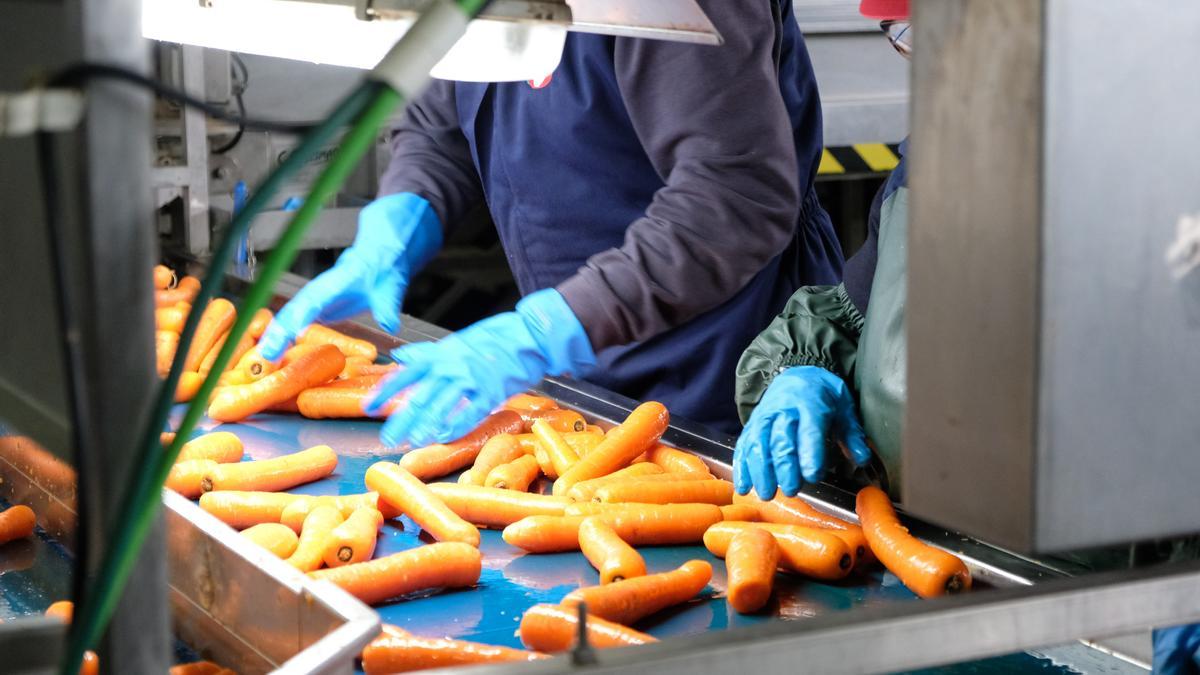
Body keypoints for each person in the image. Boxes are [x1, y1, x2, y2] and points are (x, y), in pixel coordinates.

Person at [731, 2, 1200, 671]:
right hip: (920, 588)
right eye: (907, 35)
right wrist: (799, 373)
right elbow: (849, 315)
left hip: (1112, 626)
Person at [259, 0, 844, 447]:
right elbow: (439, 128)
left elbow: (733, 197)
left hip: (729, 367)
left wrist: (540, 334)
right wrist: (395, 228)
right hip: (583, 363)